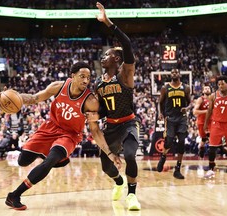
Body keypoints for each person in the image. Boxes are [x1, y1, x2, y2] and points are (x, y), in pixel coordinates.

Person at [0, 62, 122, 210]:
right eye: (82, 76)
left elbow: (95, 131)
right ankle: (59, 159)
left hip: (69, 135)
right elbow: (34, 98)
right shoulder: (58, 86)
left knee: (48, 162)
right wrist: (15, 96)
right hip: (50, 127)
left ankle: (14, 195)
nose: (85, 81)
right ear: (72, 76)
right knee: (22, 161)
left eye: (88, 78)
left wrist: (109, 153)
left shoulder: (90, 101)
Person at [90, 2, 141, 211]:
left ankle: (131, 195)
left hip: (129, 123)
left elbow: (127, 44)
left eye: (107, 54)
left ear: (117, 59)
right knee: (105, 166)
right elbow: (102, 110)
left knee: (130, 155)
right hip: (110, 126)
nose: (103, 57)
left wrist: (107, 22)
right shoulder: (98, 84)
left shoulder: (125, 75)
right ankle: (119, 182)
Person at [157, 68, 191, 179]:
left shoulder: (185, 88)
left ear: (179, 74)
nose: (174, 74)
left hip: (181, 118)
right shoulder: (165, 88)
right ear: (170, 75)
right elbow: (160, 102)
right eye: (172, 72)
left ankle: (177, 169)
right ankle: (163, 157)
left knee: (181, 142)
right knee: (169, 142)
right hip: (170, 118)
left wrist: (187, 108)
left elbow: (190, 103)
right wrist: (160, 113)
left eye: (176, 72)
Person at [193, 84, 212, 158]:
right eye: (205, 88)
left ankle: (212, 154)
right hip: (202, 122)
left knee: (212, 137)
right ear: (203, 91)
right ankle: (201, 148)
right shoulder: (200, 99)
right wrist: (206, 111)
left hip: (211, 121)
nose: (207, 89)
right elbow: (195, 112)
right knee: (204, 139)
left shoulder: (213, 99)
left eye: (208, 88)